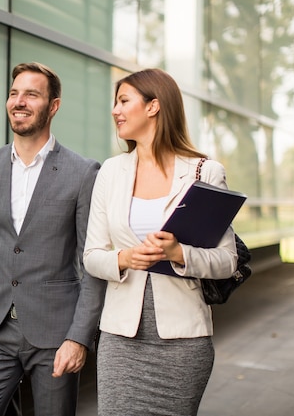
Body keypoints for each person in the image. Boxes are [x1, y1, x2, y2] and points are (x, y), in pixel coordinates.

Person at [83, 68, 238, 416]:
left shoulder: (204, 171)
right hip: (120, 339)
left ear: (154, 106)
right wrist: (124, 258)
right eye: (115, 102)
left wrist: (178, 253)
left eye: (124, 101)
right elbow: (91, 256)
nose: (115, 110)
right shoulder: (110, 171)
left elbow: (227, 260)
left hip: (184, 342)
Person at [0, 62, 106, 416]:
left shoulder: (83, 172)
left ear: (53, 106)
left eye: (31, 94)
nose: (19, 102)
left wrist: (78, 337)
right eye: (13, 93)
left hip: (56, 334)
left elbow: (93, 263)